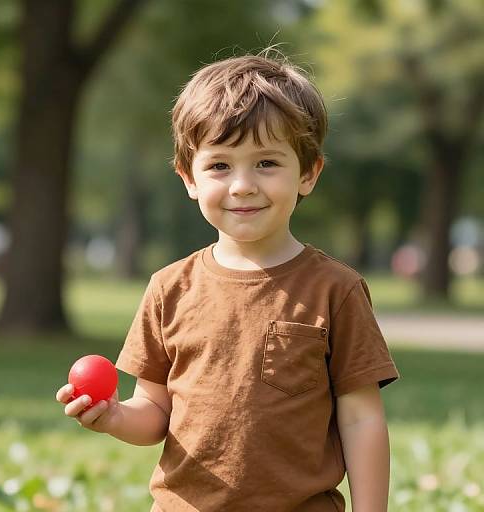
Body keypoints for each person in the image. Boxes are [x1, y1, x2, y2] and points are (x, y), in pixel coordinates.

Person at [56, 49, 400, 511]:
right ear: (189, 178)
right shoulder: (169, 288)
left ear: (309, 173)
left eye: (266, 163)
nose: (242, 185)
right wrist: (115, 416)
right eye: (220, 165)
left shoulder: (335, 289)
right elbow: (155, 412)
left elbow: (361, 421)